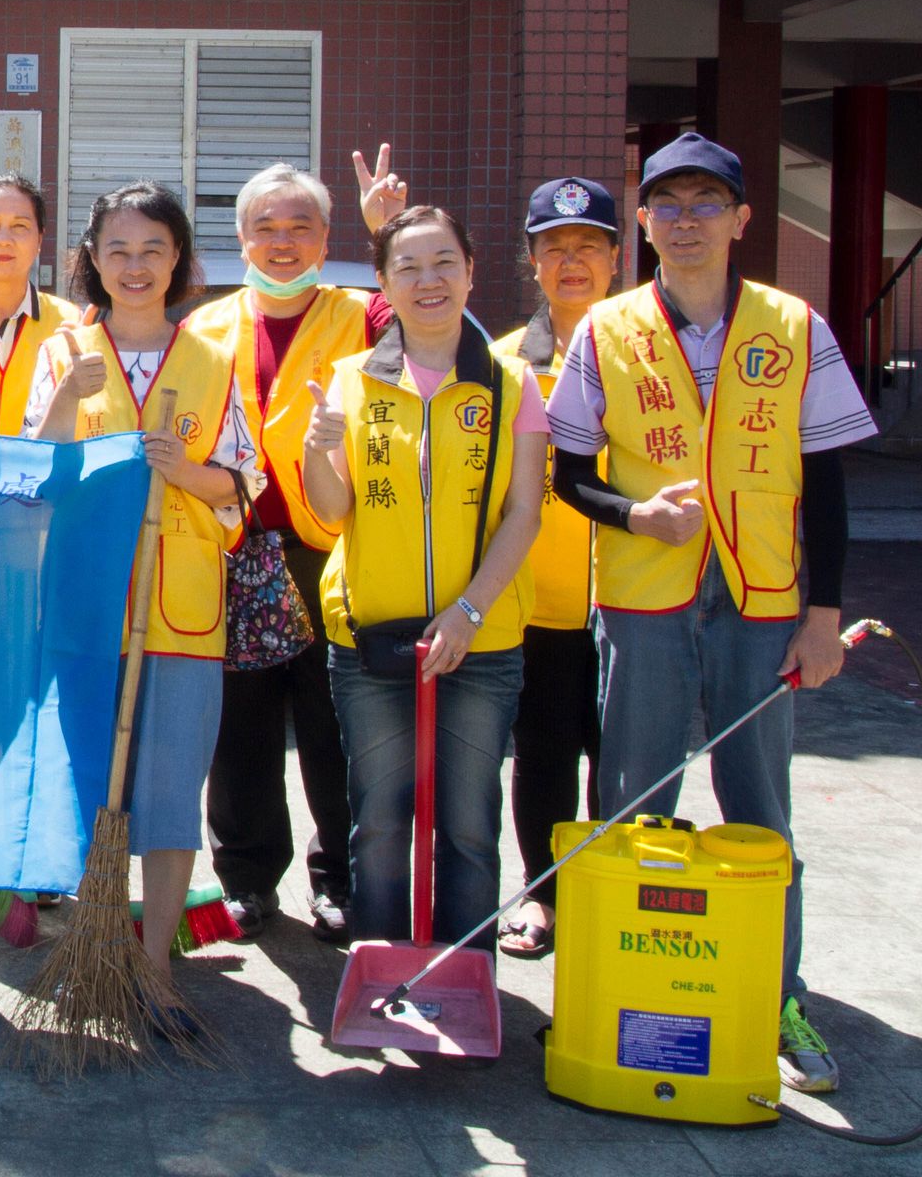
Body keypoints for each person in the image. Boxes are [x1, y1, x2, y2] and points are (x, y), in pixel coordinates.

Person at [546, 132, 875, 1095]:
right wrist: (633, 512)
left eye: (705, 204)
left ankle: (777, 998)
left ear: (740, 220)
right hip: (646, 596)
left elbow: (828, 481)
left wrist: (825, 614)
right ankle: (615, 992)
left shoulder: (794, 325)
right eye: (666, 204)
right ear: (642, 224)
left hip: (762, 599)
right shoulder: (604, 329)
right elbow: (570, 473)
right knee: (632, 800)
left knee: (759, 807)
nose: (685, 221)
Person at [23, 183, 261, 1039]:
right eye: (117, 250)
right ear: (91, 258)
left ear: (179, 262)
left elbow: (243, 484)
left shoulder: (211, 360)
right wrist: (62, 401)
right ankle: (89, 938)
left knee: (167, 793)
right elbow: (30, 476)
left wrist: (184, 469)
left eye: (153, 250)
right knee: (92, 785)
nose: (134, 266)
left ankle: (155, 961)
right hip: (88, 607)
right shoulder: (63, 352)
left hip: (183, 612)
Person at [302, 206, 544, 967]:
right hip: (372, 636)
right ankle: (381, 970)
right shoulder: (351, 380)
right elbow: (335, 511)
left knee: (469, 821)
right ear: (383, 283)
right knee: (378, 818)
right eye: (406, 266)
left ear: (472, 272)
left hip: (483, 639)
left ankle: (464, 971)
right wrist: (317, 451)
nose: (427, 280)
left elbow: (524, 512)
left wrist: (469, 612)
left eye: (444, 262)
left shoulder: (513, 385)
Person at [180, 157, 396, 943]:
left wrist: (388, 233)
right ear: (239, 238)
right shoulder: (203, 324)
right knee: (239, 728)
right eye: (265, 227)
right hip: (232, 545)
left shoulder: (365, 314)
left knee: (334, 718)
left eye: (299, 226)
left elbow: (422, 306)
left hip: (327, 546)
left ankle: (337, 877)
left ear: (326, 238)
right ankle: (246, 878)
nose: (281, 242)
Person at [490, 177, 622, 960]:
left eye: (588, 247)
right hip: (537, 601)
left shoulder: (650, 352)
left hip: (633, 599)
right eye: (554, 249)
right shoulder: (506, 363)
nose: (571, 263)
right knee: (541, 756)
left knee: (622, 758)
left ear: (615, 257)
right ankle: (542, 894)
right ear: (531, 262)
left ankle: (607, 890)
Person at [0, 173, 80, 436]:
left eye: (20, 226)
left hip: (35, 474)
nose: (3, 239)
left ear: (39, 240)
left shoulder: (68, 321)